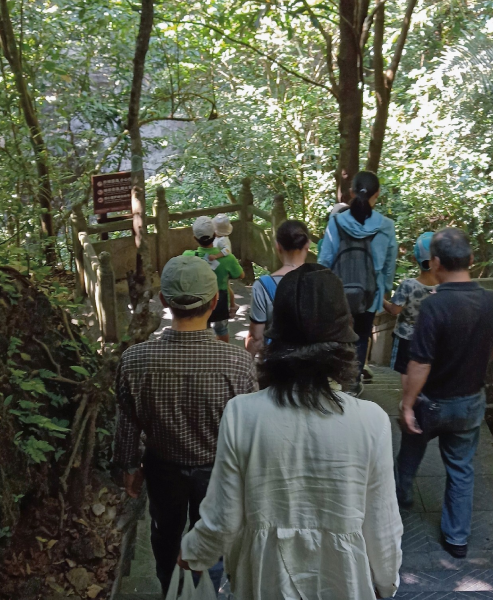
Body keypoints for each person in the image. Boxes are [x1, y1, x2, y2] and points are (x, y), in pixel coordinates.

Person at [177, 264, 404, 600]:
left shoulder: (242, 414)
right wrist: (386, 582)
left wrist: (194, 553)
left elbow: (223, 517)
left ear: (275, 338)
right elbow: (382, 524)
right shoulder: (371, 421)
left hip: (264, 579)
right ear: (342, 343)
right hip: (343, 580)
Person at [112, 255, 257, 595]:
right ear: (215, 301)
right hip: (219, 469)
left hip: (163, 466)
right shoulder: (238, 363)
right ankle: (209, 587)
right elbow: (251, 428)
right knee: (215, 532)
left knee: (165, 533)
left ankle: (170, 589)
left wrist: (128, 465)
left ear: (163, 301)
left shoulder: (135, 360)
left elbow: (128, 422)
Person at [396, 227, 493, 558]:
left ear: (435, 263)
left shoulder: (435, 306)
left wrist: (406, 404)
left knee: (409, 455)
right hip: (470, 400)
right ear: (471, 260)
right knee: (461, 468)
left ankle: (400, 502)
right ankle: (456, 539)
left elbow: (420, 363)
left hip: (430, 401)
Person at [318, 171, 398, 393]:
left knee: (336, 334)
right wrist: (385, 291)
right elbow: (390, 264)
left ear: (351, 191)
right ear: (378, 194)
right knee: (362, 335)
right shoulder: (386, 226)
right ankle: (352, 383)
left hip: (339, 291)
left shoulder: (336, 222)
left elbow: (325, 259)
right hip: (370, 293)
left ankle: (332, 377)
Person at [245, 219, 310, 356]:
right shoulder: (320, 280)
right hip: (312, 365)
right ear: (307, 244)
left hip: (275, 365)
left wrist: (246, 365)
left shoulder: (263, 286)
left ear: (277, 246)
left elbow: (257, 338)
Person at [382, 232, 438, 388]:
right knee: (426, 367)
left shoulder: (408, 285)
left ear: (414, 259)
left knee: (406, 370)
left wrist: (381, 301)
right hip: (430, 337)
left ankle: (407, 399)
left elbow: (394, 310)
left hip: (406, 337)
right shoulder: (443, 287)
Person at [183, 216, 244, 343]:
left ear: (195, 238)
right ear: (215, 234)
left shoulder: (188, 256)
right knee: (221, 330)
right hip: (220, 300)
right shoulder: (228, 259)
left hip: (198, 300)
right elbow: (241, 275)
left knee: (202, 329)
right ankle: (223, 355)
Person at [209, 213, 239, 317]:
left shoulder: (223, 240)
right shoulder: (219, 238)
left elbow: (227, 251)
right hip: (218, 265)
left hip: (224, 266)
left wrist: (216, 256)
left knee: (225, 287)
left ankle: (232, 305)